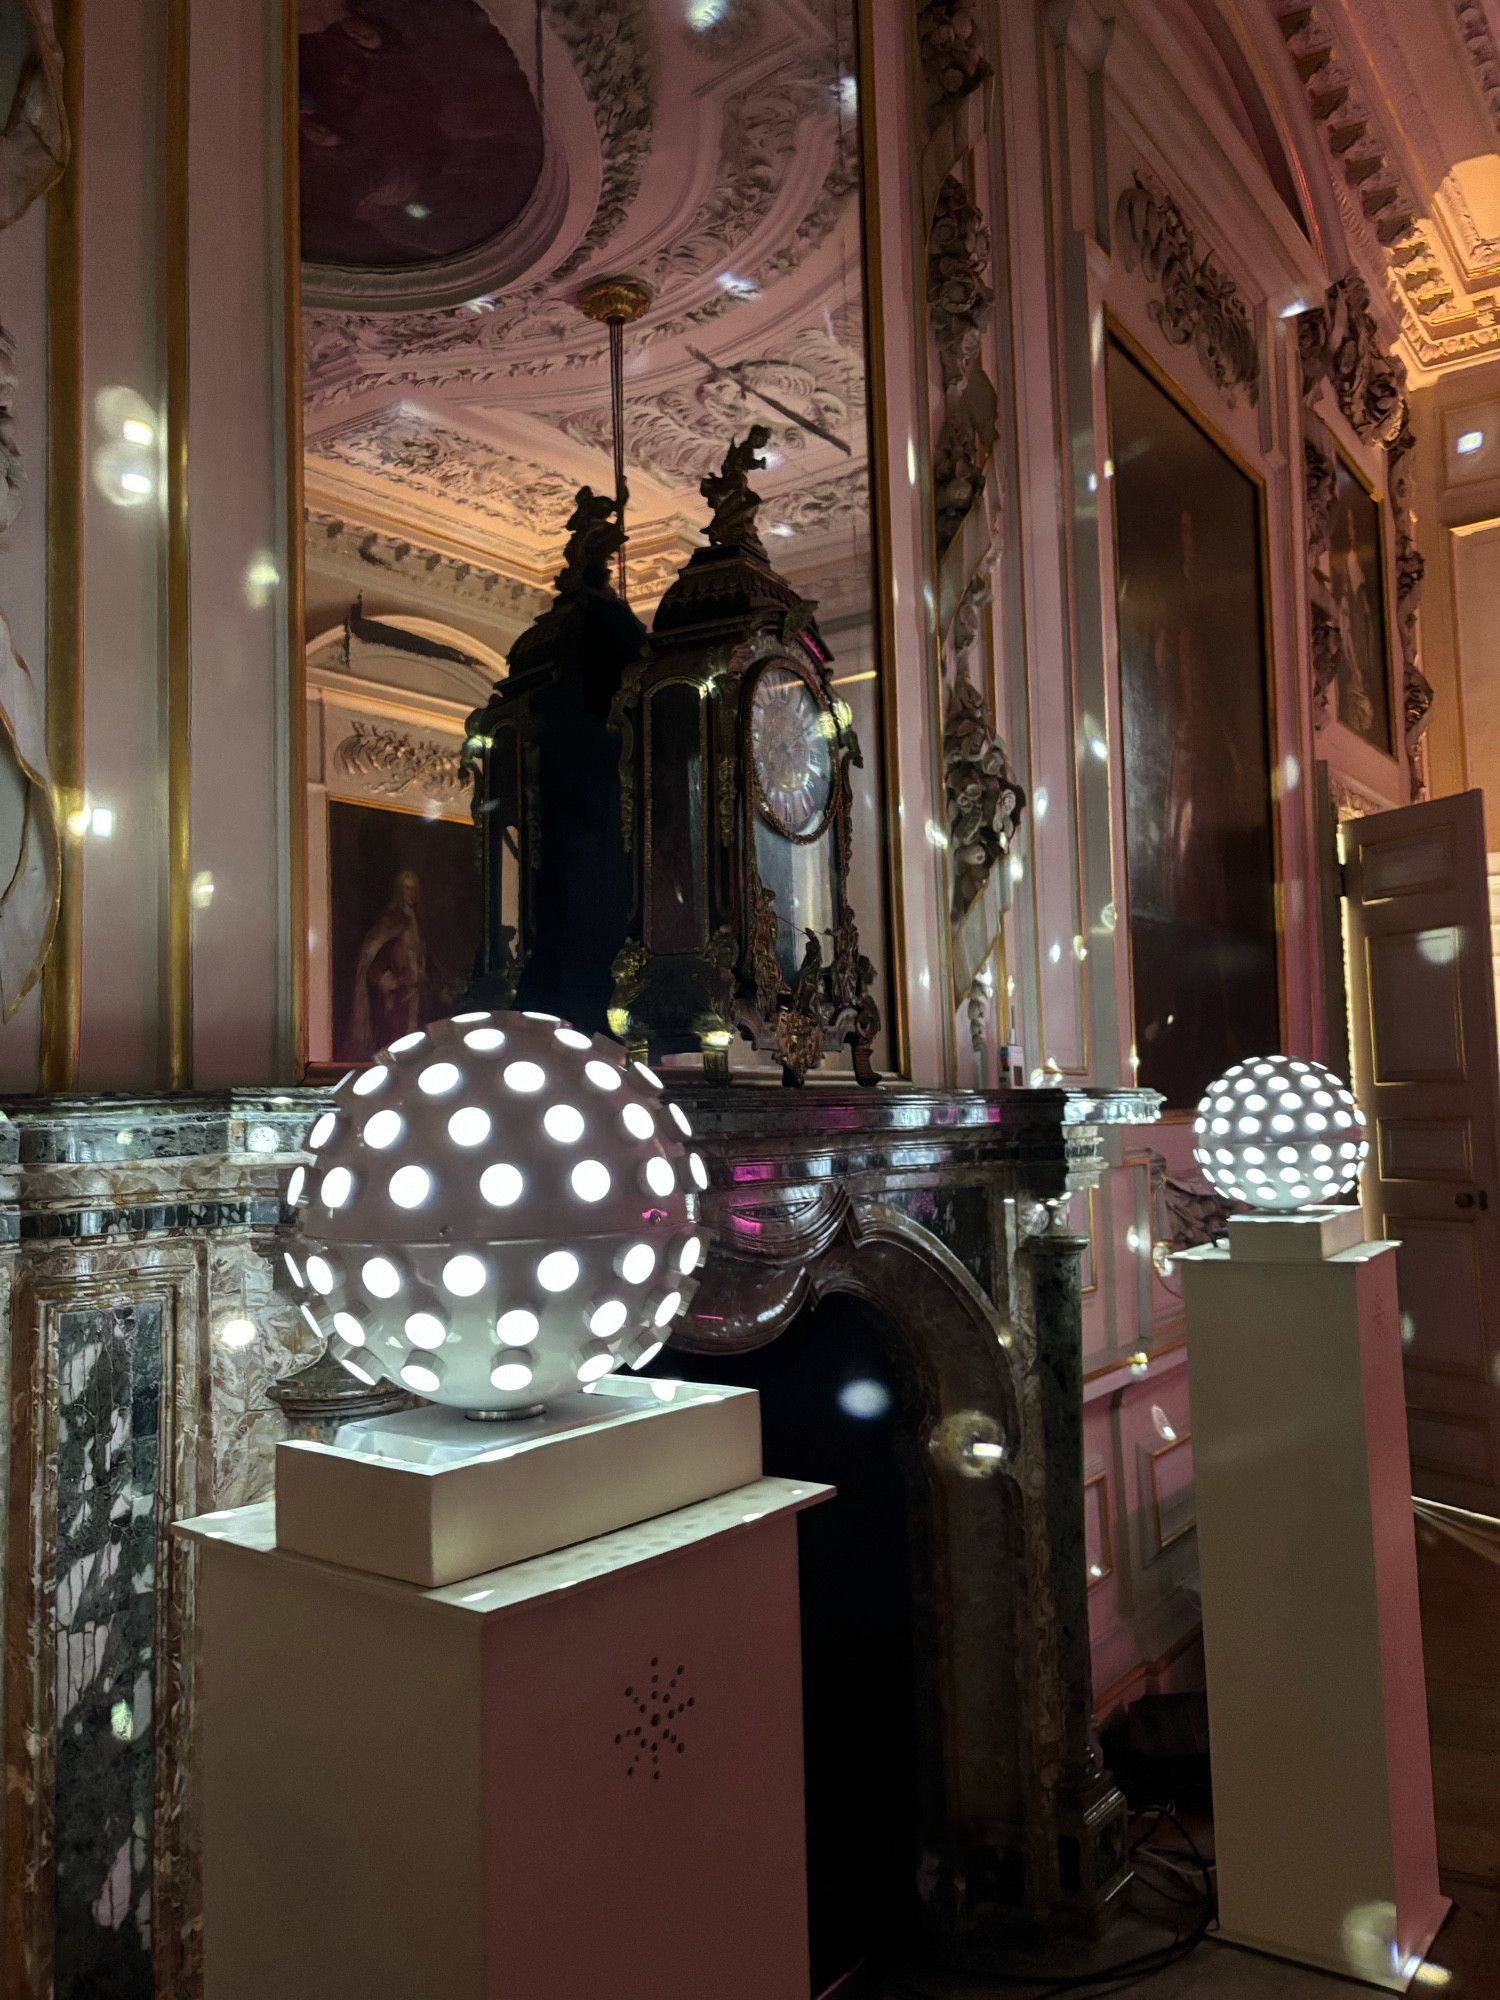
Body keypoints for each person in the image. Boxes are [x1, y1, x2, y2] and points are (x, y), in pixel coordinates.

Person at [348, 867, 447, 1057]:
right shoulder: (392, 921)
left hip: (418, 998)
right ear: (400, 891)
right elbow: (373, 957)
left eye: (413, 889)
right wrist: (390, 981)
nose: (411, 894)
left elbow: (427, 958)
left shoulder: (419, 922)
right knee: (395, 1047)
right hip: (396, 1000)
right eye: (407, 889)